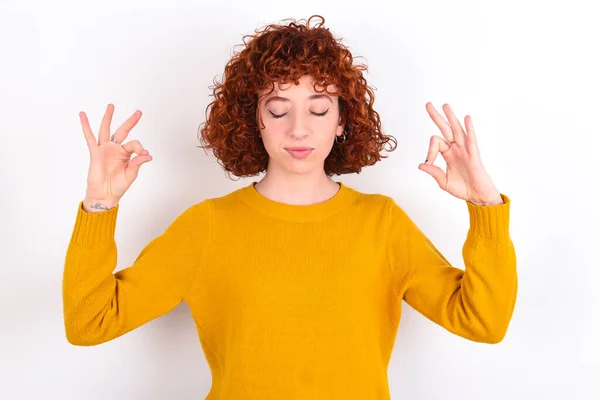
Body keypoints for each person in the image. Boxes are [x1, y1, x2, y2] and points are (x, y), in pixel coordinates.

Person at [63, 15, 517, 399]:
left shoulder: (382, 224)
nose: (298, 130)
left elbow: (483, 322)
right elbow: (89, 324)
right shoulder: (207, 227)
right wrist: (100, 204)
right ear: (254, 119)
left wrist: (485, 205)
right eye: (279, 110)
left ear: (342, 122)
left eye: (318, 111)